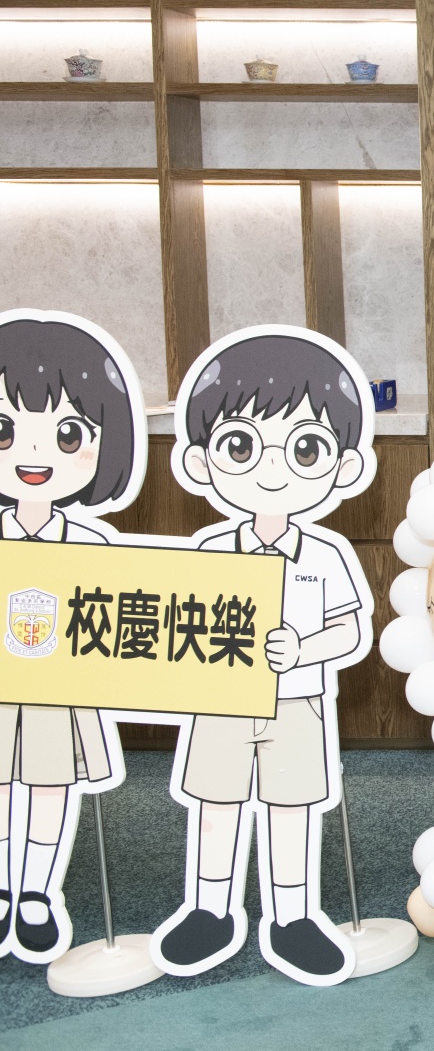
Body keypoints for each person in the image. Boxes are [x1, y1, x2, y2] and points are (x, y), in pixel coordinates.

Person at [150, 330, 374, 986]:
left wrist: (304, 648)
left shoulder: (327, 555)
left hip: (297, 703)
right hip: (221, 702)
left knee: (291, 808)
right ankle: (209, 909)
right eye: (241, 447)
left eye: (304, 449)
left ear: (343, 467)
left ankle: (292, 916)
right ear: (202, 462)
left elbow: (349, 629)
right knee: (216, 804)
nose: (272, 470)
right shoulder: (212, 550)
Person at [0, 313, 144, 962]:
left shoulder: (90, 542)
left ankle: (35, 891)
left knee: (51, 787)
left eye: (66, 433)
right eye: (5, 430)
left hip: (59, 691)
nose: (32, 456)